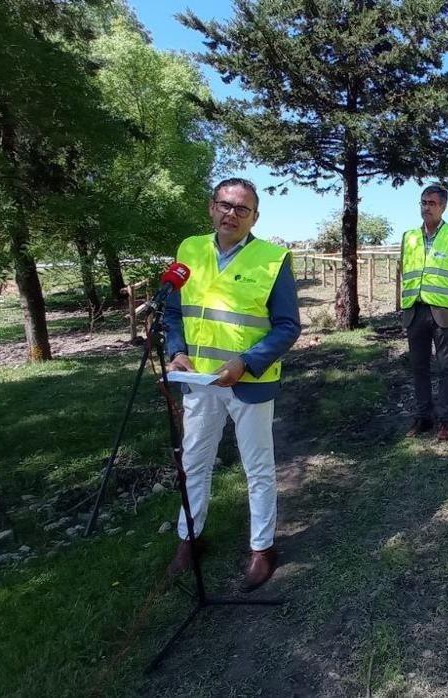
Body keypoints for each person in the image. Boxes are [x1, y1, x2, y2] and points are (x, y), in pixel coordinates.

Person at [164, 177, 302, 590]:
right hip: (199, 382)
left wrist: (247, 362)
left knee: (257, 467)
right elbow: (174, 312)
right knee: (194, 462)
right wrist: (176, 350)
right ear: (212, 207)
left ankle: (262, 548)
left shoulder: (273, 259)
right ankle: (189, 538)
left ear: (254, 217)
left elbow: (287, 326)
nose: (232, 214)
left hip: (249, 383)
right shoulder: (189, 250)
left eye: (242, 209)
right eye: (225, 205)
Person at [399, 185, 448, 441]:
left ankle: (445, 420)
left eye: (432, 203)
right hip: (415, 312)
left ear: (443, 206)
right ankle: (423, 417)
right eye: (423, 202)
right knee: (419, 368)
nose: (426, 207)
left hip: (445, 314)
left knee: (446, 369)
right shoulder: (408, 237)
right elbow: (404, 272)